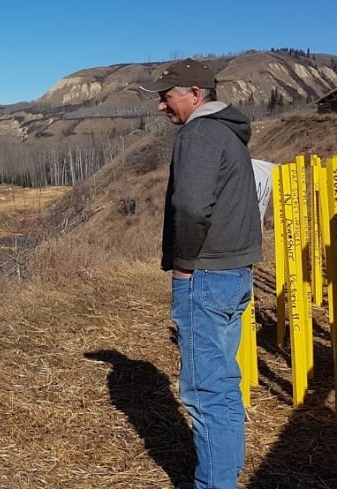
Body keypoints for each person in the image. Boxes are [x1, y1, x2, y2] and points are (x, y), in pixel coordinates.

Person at [140, 59, 263, 489]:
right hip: (233, 274)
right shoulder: (230, 134)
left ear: (195, 94)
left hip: (206, 278)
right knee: (225, 387)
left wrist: (183, 266)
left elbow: (191, 207)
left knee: (207, 394)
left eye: (166, 95)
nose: (160, 106)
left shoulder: (199, 134)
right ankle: (223, 476)